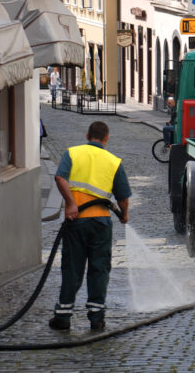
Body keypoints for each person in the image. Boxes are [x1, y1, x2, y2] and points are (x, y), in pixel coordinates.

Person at [48, 121, 131, 331]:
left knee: (72, 267)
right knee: (99, 269)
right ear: (106, 138)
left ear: (87, 135)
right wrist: (125, 215)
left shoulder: (72, 154)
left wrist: (71, 203)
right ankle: (96, 317)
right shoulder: (113, 161)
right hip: (101, 223)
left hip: (76, 222)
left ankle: (63, 316)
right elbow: (122, 197)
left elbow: (60, 177)